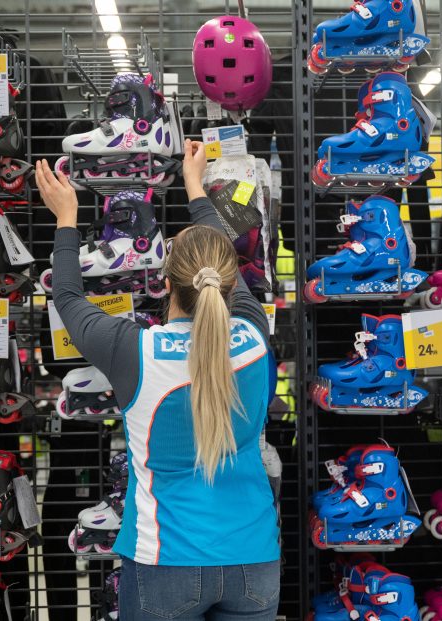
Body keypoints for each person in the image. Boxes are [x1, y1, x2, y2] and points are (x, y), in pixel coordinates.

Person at [35, 140, 280, 621]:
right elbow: (221, 256)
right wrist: (195, 185)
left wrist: (67, 218)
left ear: (164, 283)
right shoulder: (254, 336)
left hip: (165, 562)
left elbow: (66, 295)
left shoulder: (134, 351)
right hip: (254, 559)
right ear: (230, 285)